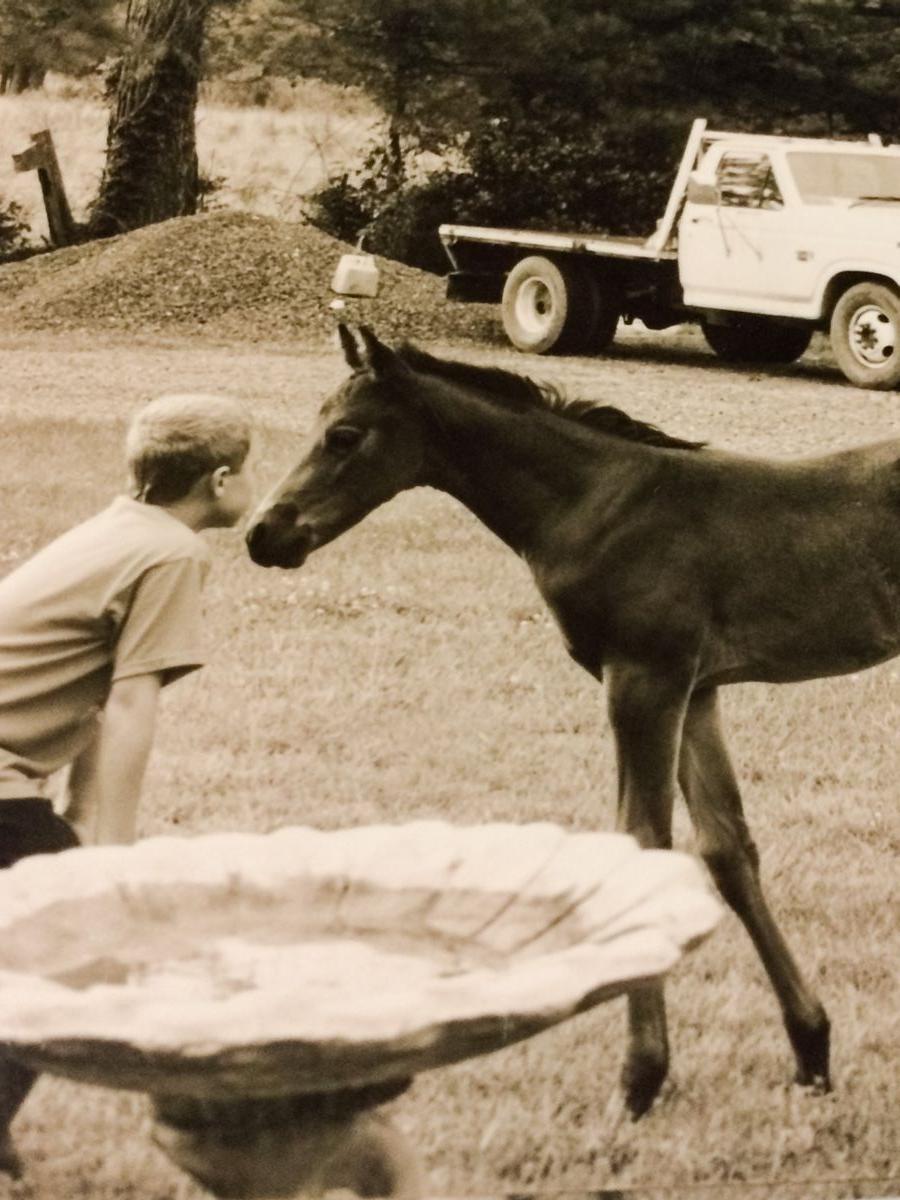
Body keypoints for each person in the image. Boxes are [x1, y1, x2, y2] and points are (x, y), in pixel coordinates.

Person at [0, 392, 255, 1177]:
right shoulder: (175, 553)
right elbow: (133, 699)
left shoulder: (119, 527)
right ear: (220, 481)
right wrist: (115, 853)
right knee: (73, 951)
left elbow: (96, 688)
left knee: (39, 954)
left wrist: (75, 812)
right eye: (250, 472)